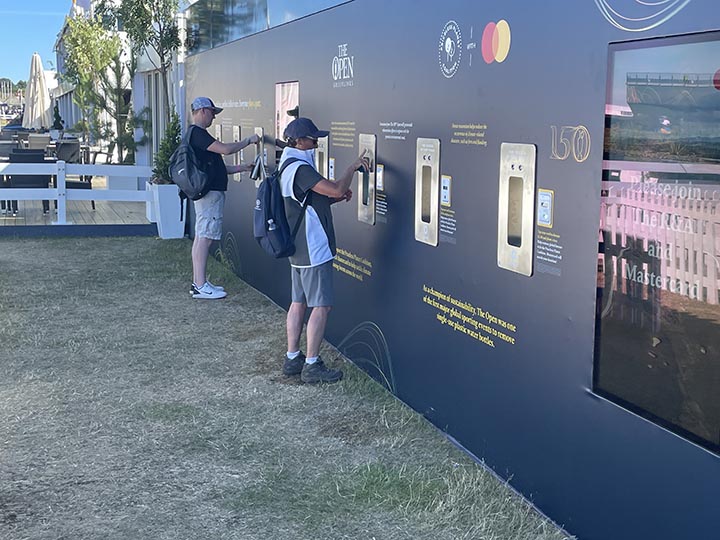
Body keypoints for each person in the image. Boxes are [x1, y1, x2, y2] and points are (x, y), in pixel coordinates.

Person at [279, 117, 370, 383]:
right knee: (321, 305)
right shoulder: (301, 167)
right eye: (311, 138)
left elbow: (308, 201)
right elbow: (337, 188)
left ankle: (292, 357)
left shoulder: (287, 164)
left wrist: (335, 197)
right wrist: (352, 168)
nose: (316, 142)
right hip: (313, 247)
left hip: (298, 248)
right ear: (298, 141)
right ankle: (311, 364)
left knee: (298, 302)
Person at [188, 96, 259, 299]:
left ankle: (198, 283)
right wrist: (248, 140)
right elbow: (226, 150)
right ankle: (200, 285)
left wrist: (243, 168)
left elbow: (218, 168)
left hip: (208, 193)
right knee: (205, 238)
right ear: (202, 111)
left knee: (203, 236)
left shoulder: (198, 135)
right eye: (212, 112)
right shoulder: (198, 134)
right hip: (209, 195)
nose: (213, 117)